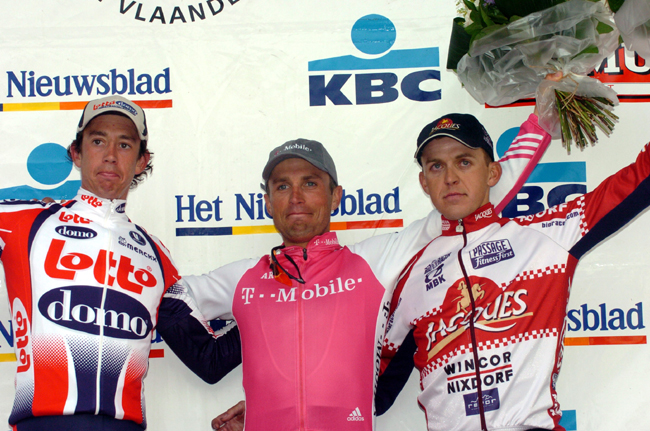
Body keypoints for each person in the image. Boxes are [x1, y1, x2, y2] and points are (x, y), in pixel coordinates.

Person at [182, 111, 550, 431]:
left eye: (310, 183)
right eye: (282, 186)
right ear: (267, 201)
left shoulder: (373, 260)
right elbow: (170, 298)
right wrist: (232, 354)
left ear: (336, 196)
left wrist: (542, 120)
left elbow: (471, 197)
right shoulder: (246, 277)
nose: (296, 197)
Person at [378, 110, 650, 430]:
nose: (450, 177)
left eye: (464, 161)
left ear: (493, 173)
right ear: (424, 181)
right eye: (436, 166)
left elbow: (639, 178)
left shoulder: (547, 237)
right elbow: (376, 394)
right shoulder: (410, 276)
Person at [0, 95, 241, 431]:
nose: (110, 155)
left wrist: (275, 311)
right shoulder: (23, 223)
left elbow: (208, 359)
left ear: (142, 161)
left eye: (125, 145)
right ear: (77, 153)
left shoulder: (156, 256)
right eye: (98, 141)